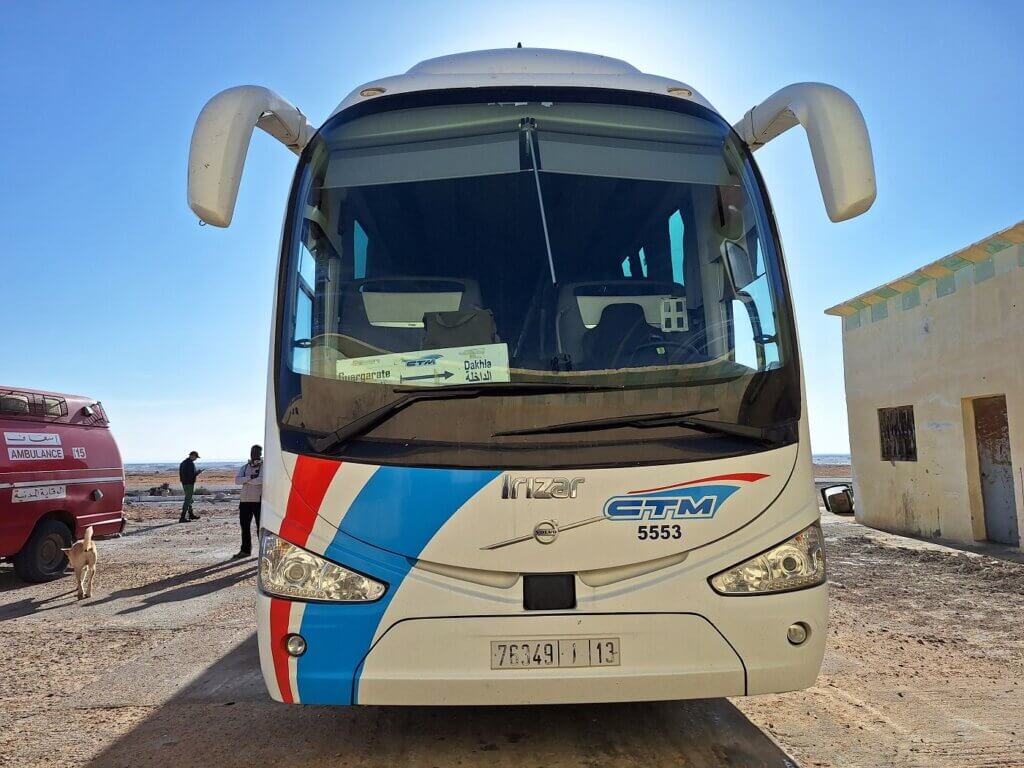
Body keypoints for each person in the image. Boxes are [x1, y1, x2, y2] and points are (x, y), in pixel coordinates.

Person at [233, 445, 263, 559]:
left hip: (258, 501)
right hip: (244, 501)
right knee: (244, 526)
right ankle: (245, 550)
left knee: (260, 527)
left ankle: (262, 552)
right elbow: (237, 480)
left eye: (256, 452)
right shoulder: (245, 467)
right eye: (252, 452)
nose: (253, 454)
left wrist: (245, 480)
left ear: (260, 454)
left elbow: (260, 480)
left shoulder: (264, 466)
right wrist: (250, 477)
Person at [178, 451, 203, 523]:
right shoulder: (190, 464)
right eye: (196, 457)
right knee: (188, 499)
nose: (196, 459)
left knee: (189, 499)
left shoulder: (183, 463)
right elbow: (191, 475)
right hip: (189, 483)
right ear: (192, 456)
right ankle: (182, 517)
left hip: (184, 483)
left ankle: (191, 514)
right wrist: (198, 473)